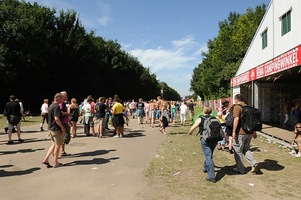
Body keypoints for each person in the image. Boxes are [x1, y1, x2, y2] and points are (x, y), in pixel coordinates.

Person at [188, 106, 218, 183]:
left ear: (204, 112)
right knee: (209, 154)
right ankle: (205, 167)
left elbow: (192, 128)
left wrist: (190, 132)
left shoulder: (201, 119)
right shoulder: (215, 119)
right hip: (215, 139)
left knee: (208, 156)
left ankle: (211, 176)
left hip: (205, 139)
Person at [232, 94, 259, 174]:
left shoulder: (237, 107)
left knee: (238, 150)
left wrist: (233, 131)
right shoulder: (249, 108)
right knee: (246, 149)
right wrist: (254, 131)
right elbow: (253, 121)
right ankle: (254, 163)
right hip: (249, 132)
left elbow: (236, 119)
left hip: (240, 133)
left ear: (236, 100)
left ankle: (241, 169)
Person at [42, 93, 65, 168]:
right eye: (62, 98)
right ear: (58, 98)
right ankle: (55, 162)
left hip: (51, 128)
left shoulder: (51, 105)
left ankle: (46, 159)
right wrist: (62, 127)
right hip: (56, 129)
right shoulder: (56, 106)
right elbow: (56, 118)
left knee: (53, 144)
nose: (62, 100)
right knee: (58, 145)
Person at [59, 91, 72, 156]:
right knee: (66, 136)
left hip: (65, 121)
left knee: (64, 136)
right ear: (63, 96)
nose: (67, 96)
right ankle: (57, 150)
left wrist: (69, 121)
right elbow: (60, 112)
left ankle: (62, 150)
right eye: (66, 95)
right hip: (63, 122)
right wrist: (68, 113)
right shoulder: (61, 103)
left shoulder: (63, 103)